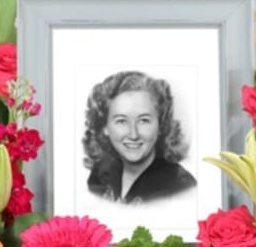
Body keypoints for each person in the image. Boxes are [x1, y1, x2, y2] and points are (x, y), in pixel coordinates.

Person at [82, 71, 197, 203]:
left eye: (144, 120)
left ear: (161, 125)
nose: (133, 134)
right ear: (104, 127)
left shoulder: (180, 186)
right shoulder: (101, 172)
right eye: (121, 121)